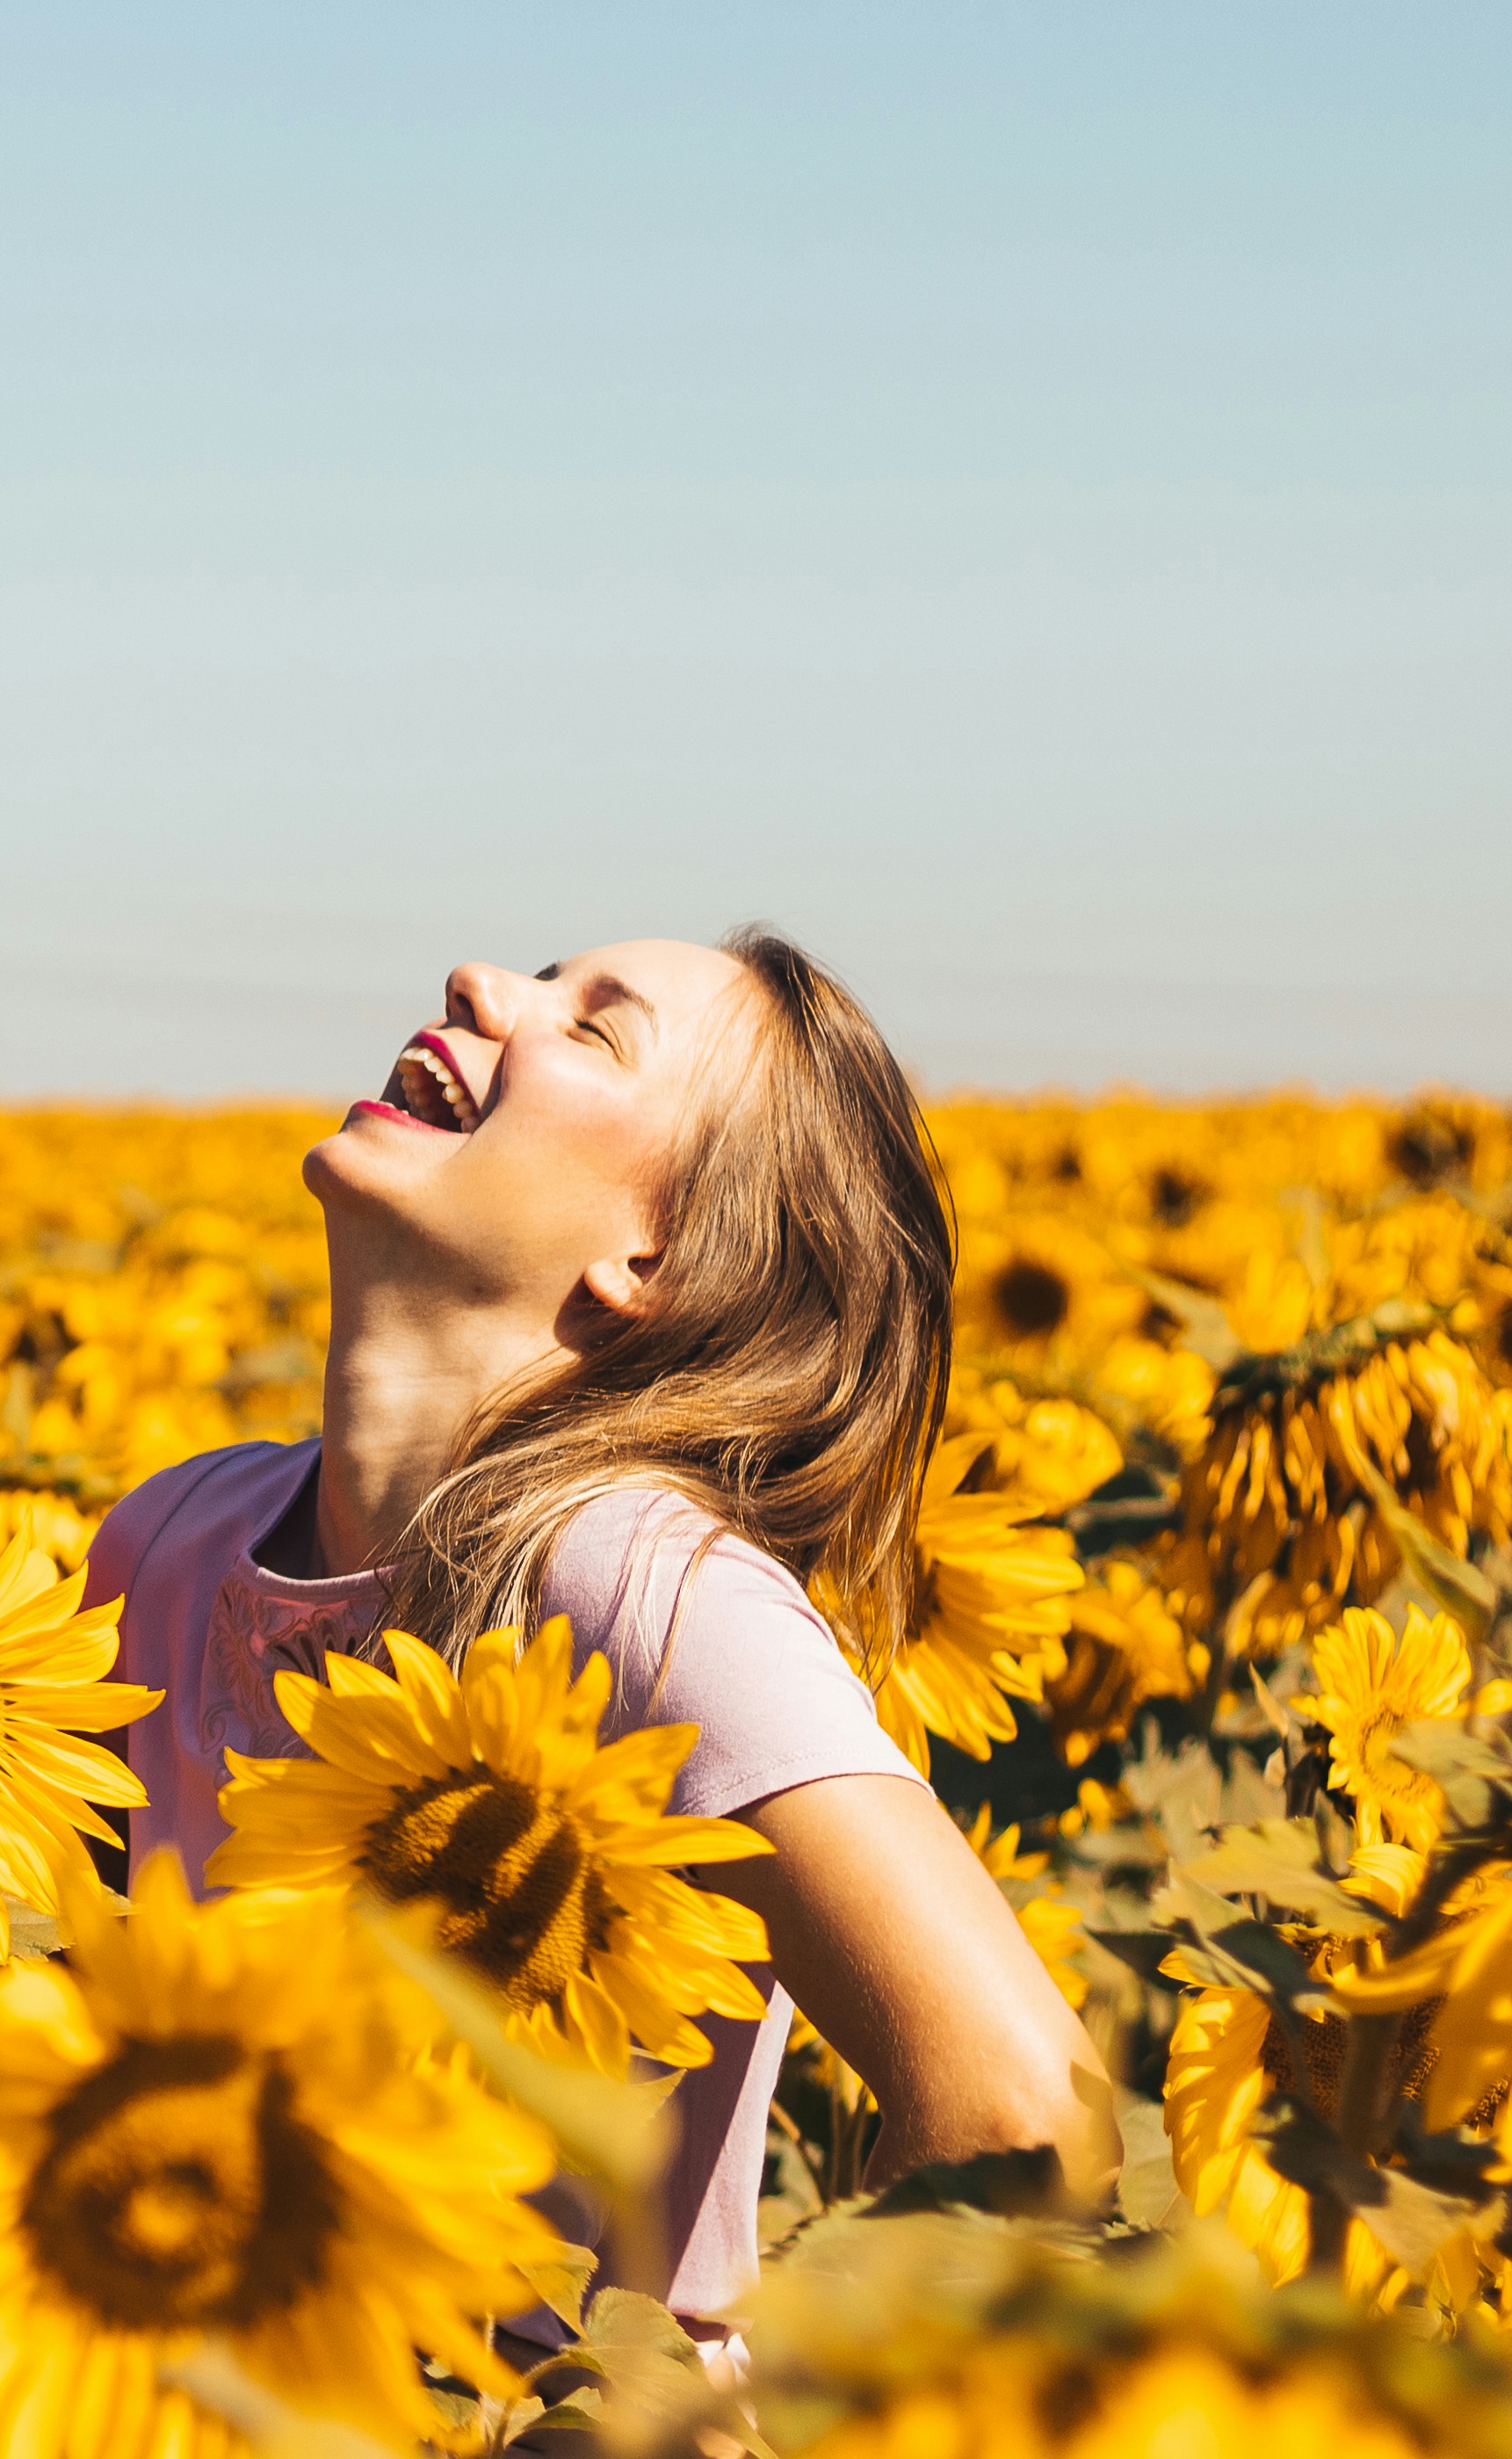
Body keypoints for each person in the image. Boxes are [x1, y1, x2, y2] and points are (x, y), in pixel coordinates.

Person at [93, 932, 1108, 2329]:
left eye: (591, 1029)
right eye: (534, 975)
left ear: (657, 1258)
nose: (476, 986)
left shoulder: (632, 1586)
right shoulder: (168, 1541)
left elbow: (1017, 2109)